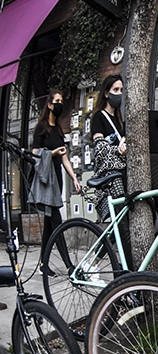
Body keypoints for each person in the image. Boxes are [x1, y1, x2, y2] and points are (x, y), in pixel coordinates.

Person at [30, 91, 81, 259]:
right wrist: (52, 153)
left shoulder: (59, 130)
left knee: (49, 224)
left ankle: (43, 265)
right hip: (46, 180)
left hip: (57, 179)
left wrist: (74, 178)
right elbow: (35, 153)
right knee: (56, 222)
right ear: (50, 105)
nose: (60, 104)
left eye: (61, 100)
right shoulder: (41, 128)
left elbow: (65, 159)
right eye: (57, 101)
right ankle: (69, 265)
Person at [90, 75, 128, 221]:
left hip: (123, 171)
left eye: (121, 90)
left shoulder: (120, 120)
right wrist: (117, 150)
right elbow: (100, 148)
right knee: (122, 219)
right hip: (111, 175)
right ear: (106, 93)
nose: (119, 93)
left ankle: (110, 242)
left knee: (123, 217)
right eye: (115, 89)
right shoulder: (99, 117)